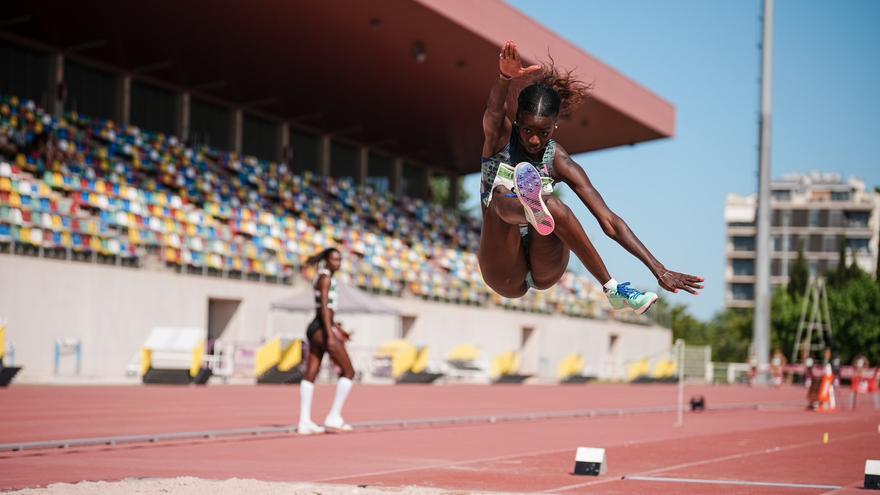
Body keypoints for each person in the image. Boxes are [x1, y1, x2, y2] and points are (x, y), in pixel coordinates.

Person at [478, 41, 702, 314]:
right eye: (527, 130)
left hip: (545, 268)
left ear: (555, 127)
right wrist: (504, 77)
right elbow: (493, 111)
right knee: (500, 196)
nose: (534, 140)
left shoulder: (558, 160)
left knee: (556, 207)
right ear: (517, 121)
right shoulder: (500, 138)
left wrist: (659, 269)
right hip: (504, 272)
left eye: (544, 132)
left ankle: (613, 289)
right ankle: (527, 206)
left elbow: (608, 221)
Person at [297, 247, 355, 435]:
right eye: (334, 260)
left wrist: (338, 328)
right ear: (327, 261)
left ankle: (304, 421)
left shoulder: (322, 277)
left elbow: (327, 310)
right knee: (348, 371)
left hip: (318, 327)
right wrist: (330, 334)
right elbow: (323, 307)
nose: (338, 263)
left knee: (311, 372)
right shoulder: (326, 278)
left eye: (340, 260)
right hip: (322, 329)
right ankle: (334, 416)